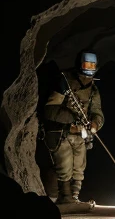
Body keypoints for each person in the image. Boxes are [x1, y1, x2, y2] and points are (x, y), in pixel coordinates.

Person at [41, 51, 104, 204]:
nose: (89, 69)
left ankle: (74, 196)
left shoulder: (93, 89)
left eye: (92, 66)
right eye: (86, 65)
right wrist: (72, 119)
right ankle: (65, 197)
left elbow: (97, 112)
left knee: (79, 166)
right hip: (61, 131)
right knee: (64, 164)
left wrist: (95, 124)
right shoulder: (64, 82)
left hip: (80, 134)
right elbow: (50, 109)